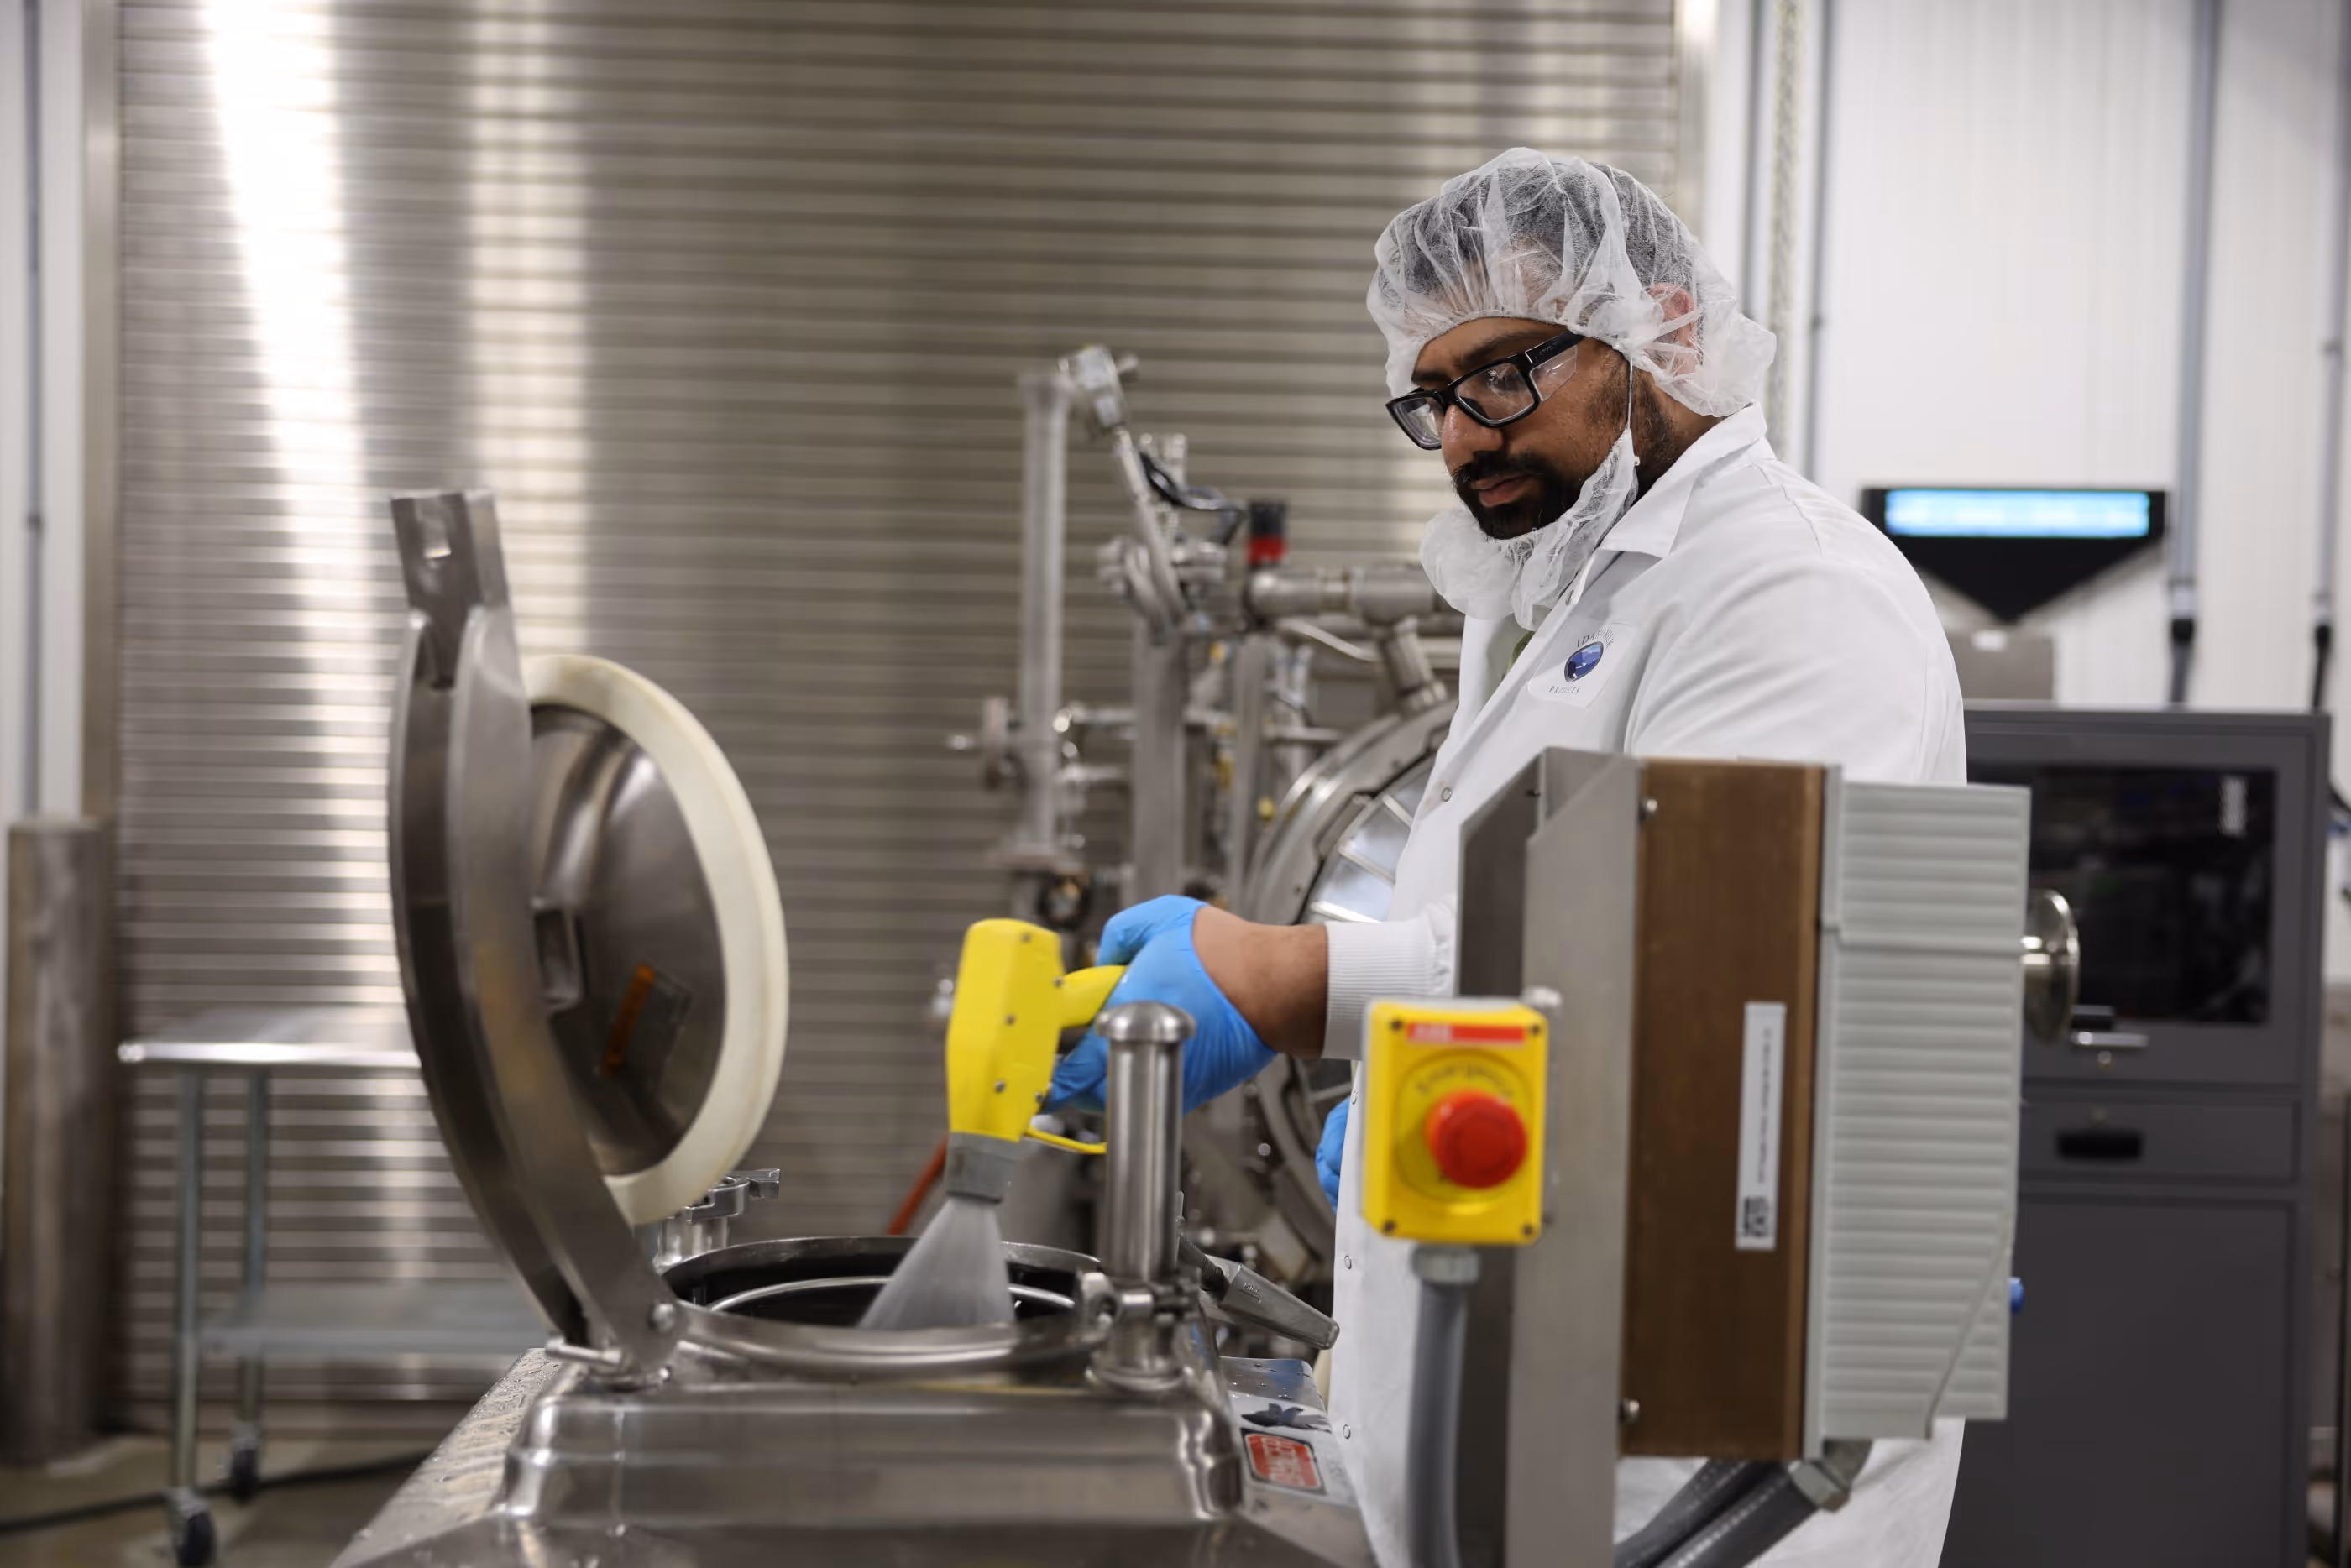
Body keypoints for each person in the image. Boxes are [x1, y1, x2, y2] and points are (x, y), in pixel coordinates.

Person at [1049, 147, 1965, 1566]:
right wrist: (1409, 1089)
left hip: (1699, 1460)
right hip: (1525, 1401)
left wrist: (1292, 974)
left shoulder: (1792, 591)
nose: (1467, 434)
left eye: (1504, 375)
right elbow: (1533, 942)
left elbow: (1700, 956)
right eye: (1433, 397)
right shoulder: (1548, 598)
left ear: (1657, 325)